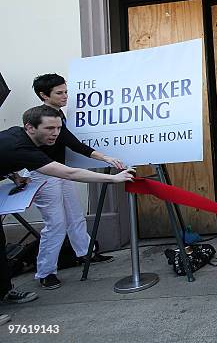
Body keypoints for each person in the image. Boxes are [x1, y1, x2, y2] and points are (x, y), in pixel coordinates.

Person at [0, 105, 134, 326]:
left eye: (59, 128)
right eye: (50, 128)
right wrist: (113, 179)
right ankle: (42, 274)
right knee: (56, 224)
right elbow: (69, 172)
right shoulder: (22, 147)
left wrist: (14, 176)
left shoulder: (17, 136)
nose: (56, 133)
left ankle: (5, 292)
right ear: (30, 127)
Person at [31, 74, 124, 290]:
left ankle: (86, 253)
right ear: (44, 95)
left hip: (60, 172)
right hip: (44, 174)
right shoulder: (42, 117)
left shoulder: (58, 114)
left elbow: (71, 143)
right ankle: (46, 272)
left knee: (75, 214)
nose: (65, 96)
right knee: (55, 223)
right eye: (60, 93)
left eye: (66, 91)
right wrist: (105, 157)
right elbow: (74, 144)